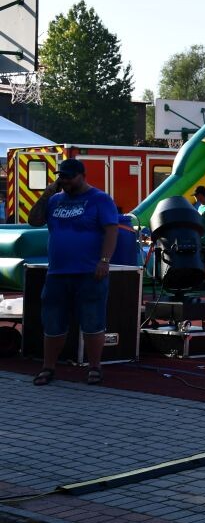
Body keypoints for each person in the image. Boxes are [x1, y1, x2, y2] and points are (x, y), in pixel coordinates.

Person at [28, 158, 119, 386]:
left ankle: (95, 367)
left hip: (89, 272)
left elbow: (111, 230)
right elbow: (34, 221)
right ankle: (48, 367)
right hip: (57, 273)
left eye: (69, 177)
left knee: (92, 320)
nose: (65, 181)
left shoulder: (100, 199)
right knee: (53, 321)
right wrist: (47, 193)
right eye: (62, 177)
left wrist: (104, 261)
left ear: (82, 176)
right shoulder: (54, 200)